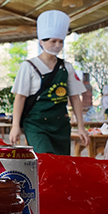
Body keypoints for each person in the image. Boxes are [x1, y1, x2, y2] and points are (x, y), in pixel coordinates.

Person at [8, 10, 88, 155]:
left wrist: (81, 126)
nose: (57, 45)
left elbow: (75, 97)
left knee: (62, 164)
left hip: (60, 125)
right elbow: (20, 97)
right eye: (53, 41)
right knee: (44, 158)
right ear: (41, 42)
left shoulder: (67, 68)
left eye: (60, 41)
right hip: (36, 125)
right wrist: (15, 126)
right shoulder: (29, 67)